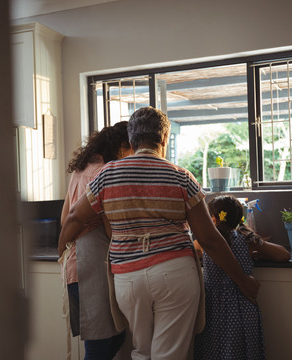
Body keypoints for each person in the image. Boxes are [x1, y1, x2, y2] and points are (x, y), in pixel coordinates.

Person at [59, 106, 260, 360]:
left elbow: (75, 217)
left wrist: (61, 250)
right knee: (170, 354)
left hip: (127, 278)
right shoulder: (181, 177)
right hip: (174, 274)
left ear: (131, 140)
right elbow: (208, 239)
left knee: (141, 351)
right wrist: (243, 281)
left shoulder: (107, 175)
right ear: (164, 139)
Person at [59, 121, 133, 360]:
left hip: (77, 263)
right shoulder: (103, 172)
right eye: (131, 150)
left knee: (113, 335)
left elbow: (64, 218)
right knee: (101, 343)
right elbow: (112, 228)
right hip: (91, 263)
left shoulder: (82, 169)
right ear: (122, 147)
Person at [193, 195, 291, 360]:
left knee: (213, 352)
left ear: (213, 219)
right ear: (240, 218)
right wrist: (256, 248)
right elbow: (283, 255)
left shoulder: (206, 242)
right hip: (242, 308)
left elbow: (194, 252)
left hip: (212, 309)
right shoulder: (246, 240)